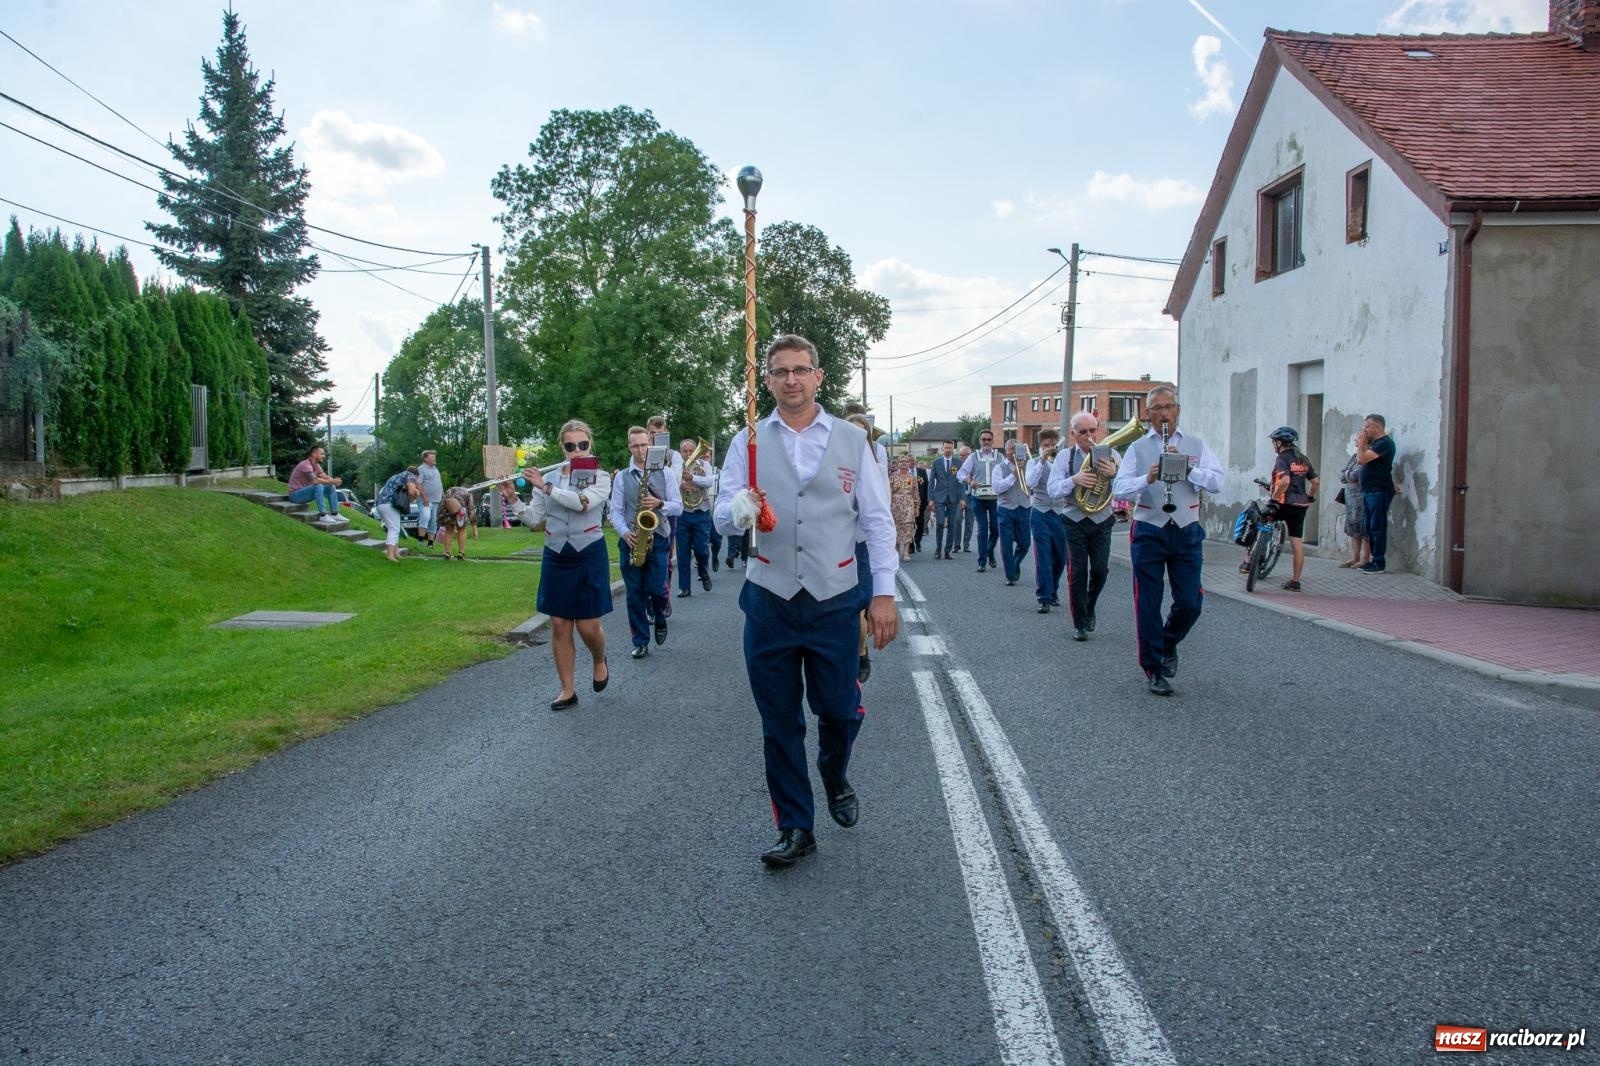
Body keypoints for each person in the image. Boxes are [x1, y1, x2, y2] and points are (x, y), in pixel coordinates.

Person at [715, 334, 898, 868]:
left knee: (839, 710)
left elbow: (877, 521)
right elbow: (721, 512)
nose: (791, 380)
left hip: (835, 597)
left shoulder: (850, 440)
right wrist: (739, 509)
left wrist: (882, 593)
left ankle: (834, 770)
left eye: (801, 370)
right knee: (778, 720)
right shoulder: (745, 441)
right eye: (780, 371)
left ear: (819, 376)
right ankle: (796, 825)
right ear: (766, 379)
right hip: (768, 596)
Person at [1111, 386, 1224, 696]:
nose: (1163, 414)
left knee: (1190, 603)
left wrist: (1189, 468)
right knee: (1147, 601)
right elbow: (1119, 490)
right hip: (1149, 527)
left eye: (1168, 407)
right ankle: (1153, 668)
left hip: (1186, 527)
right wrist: (1145, 479)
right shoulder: (1137, 448)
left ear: (1178, 410)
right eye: (1157, 408)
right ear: (1148, 414)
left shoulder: (1196, 445)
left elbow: (1217, 482)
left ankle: (1167, 642)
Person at [509, 420, 613, 710]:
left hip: (589, 550)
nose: (577, 450)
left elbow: (583, 503)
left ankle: (598, 659)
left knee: (589, 627)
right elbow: (534, 521)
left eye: (583, 445)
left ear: (589, 445)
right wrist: (513, 500)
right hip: (556, 553)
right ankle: (567, 689)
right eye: (570, 446)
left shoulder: (599, 477)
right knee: (559, 624)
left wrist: (547, 486)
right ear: (562, 448)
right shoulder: (549, 477)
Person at [609, 425, 682, 659]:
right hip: (631, 539)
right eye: (635, 446)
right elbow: (615, 511)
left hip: (658, 536)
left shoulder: (666, 472)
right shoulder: (622, 477)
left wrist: (660, 504)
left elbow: (678, 506)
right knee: (634, 593)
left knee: (657, 589)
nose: (640, 450)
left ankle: (660, 616)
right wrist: (623, 533)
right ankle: (640, 640)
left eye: (643, 445)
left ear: (651, 445)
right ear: (629, 447)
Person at [1049, 414, 1119, 639]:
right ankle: (1080, 623)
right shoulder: (1064, 457)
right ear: (1073, 434)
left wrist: (1114, 474)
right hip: (1074, 520)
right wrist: (1074, 480)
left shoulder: (1112, 454)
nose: (1089, 436)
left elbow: (1128, 489)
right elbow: (1052, 490)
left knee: (1100, 571)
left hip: (1102, 520)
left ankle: (1089, 605)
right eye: (1083, 432)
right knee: (1077, 572)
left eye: (1092, 431)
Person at [844, 411, 889, 683]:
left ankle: (861, 652)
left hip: (861, 542)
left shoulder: (877, 464)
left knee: (860, 604)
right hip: (835, 544)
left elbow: (879, 513)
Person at [1026, 428, 1067, 614]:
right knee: (1043, 557)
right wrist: (1042, 460)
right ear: (1039, 447)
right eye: (1045, 446)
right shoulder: (1033, 463)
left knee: (1060, 557)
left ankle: (1053, 590)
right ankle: (1044, 597)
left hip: (1060, 513)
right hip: (1040, 511)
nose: (1050, 448)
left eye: (1052, 445)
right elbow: (1030, 483)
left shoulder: (1065, 463)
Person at [1354, 414, 1396, 574]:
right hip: (1369, 490)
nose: (1365, 430)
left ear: (1377, 427)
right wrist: (1363, 443)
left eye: (1367, 427)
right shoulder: (1376, 443)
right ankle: (1372, 560)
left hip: (1379, 490)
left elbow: (1361, 460)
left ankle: (1378, 562)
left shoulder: (1384, 443)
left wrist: (1361, 443)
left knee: (1377, 527)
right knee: (1369, 527)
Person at [675, 438, 715, 598]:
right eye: (684, 451)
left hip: (701, 512)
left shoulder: (704, 465)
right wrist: (680, 484)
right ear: (680, 452)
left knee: (702, 549)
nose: (688, 454)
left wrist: (693, 478)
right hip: (683, 513)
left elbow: (710, 481)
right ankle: (684, 587)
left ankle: (703, 572)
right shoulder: (676, 467)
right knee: (682, 552)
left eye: (691, 450)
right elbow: (668, 481)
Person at [989, 439, 1032, 585]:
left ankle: (1015, 564)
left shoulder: (1028, 465)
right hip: (1006, 509)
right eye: (1010, 449)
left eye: (1017, 449)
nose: (1013, 452)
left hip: (1024, 507)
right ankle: (1010, 575)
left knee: (1025, 543)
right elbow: (997, 488)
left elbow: (1033, 484)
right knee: (1006, 544)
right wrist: (1014, 474)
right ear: (1005, 451)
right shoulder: (999, 468)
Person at [958, 433, 1001, 569]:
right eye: (984, 439)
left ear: (992, 440)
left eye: (989, 439)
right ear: (980, 441)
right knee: (982, 529)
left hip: (995, 499)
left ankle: (990, 550)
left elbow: (1008, 472)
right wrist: (970, 481)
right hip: (978, 498)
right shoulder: (973, 457)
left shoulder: (999, 457)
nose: (986, 442)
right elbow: (960, 473)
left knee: (995, 529)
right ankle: (982, 561)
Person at [375, 466, 422, 562]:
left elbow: (408, 496)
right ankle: (390, 555)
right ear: (416, 475)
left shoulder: (397, 476)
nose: (416, 481)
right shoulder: (410, 475)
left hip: (381, 504)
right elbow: (411, 491)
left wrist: (413, 495)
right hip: (389, 504)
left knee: (395, 528)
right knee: (394, 528)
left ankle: (396, 553)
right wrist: (417, 492)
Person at [286, 444, 342, 522]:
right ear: (314, 454)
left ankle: (334, 514)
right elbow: (314, 480)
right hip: (295, 495)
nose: (324, 456)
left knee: (330, 486)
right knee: (317, 486)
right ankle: (323, 515)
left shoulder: (315, 464)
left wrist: (334, 481)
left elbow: (322, 475)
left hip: (304, 492)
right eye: (322, 453)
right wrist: (332, 481)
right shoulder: (306, 465)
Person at [928, 439, 964, 559]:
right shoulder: (936, 462)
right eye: (946, 447)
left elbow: (961, 482)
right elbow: (931, 481)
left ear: (953, 449)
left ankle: (947, 549)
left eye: (950, 448)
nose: (948, 450)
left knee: (952, 524)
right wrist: (931, 499)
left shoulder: (958, 463)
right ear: (942, 449)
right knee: (939, 523)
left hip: (953, 497)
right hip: (939, 496)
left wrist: (962, 498)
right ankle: (938, 548)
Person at [1338, 451, 1370, 569]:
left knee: (1364, 526)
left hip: (1361, 496)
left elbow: (1357, 475)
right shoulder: (1355, 456)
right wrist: (1348, 475)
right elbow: (1343, 473)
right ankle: (1354, 557)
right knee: (1352, 526)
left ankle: (1364, 559)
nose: (1357, 441)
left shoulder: (1367, 455)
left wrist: (1349, 475)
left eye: (1359, 439)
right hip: (1350, 497)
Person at [889, 453, 919, 562]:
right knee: (896, 528)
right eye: (901, 461)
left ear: (909, 463)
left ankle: (906, 552)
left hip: (908, 504)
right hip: (895, 504)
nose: (904, 463)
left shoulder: (912, 477)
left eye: (906, 461)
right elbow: (888, 492)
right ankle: (896, 551)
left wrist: (917, 507)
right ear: (898, 464)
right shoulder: (893, 476)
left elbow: (916, 493)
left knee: (908, 527)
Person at [436, 484, 478, 560]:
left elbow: (443, 504)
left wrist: (441, 518)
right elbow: (471, 510)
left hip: (447, 513)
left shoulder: (449, 491)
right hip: (460, 514)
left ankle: (447, 552)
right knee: (462, 530)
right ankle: (461, 553)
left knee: (448, 531)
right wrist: (474, 528)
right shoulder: (468, 493)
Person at [417, 449, 443, 548]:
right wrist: (424, 497)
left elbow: (439, 483)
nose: (434, 459)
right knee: (426, 516)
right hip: (426, 500)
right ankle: (421, 540)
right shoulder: (421, 469)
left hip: (436, 500)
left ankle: (430, 543)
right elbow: (418, 484)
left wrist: (443, 496)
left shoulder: (435, 469)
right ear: (425, 459)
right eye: (432, 457)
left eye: (434, 457)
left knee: (433, 520)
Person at [912, 459, 930, 553]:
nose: (911, 462)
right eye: (909, 461)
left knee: (920, 523)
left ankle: (917, 541)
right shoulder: (904, 472)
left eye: (912, 461)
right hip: (907, 502)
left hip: (921, 502)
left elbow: (927, 485)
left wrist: (927, 500)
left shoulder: (922, 472)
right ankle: (910, 545)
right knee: (909, 524)